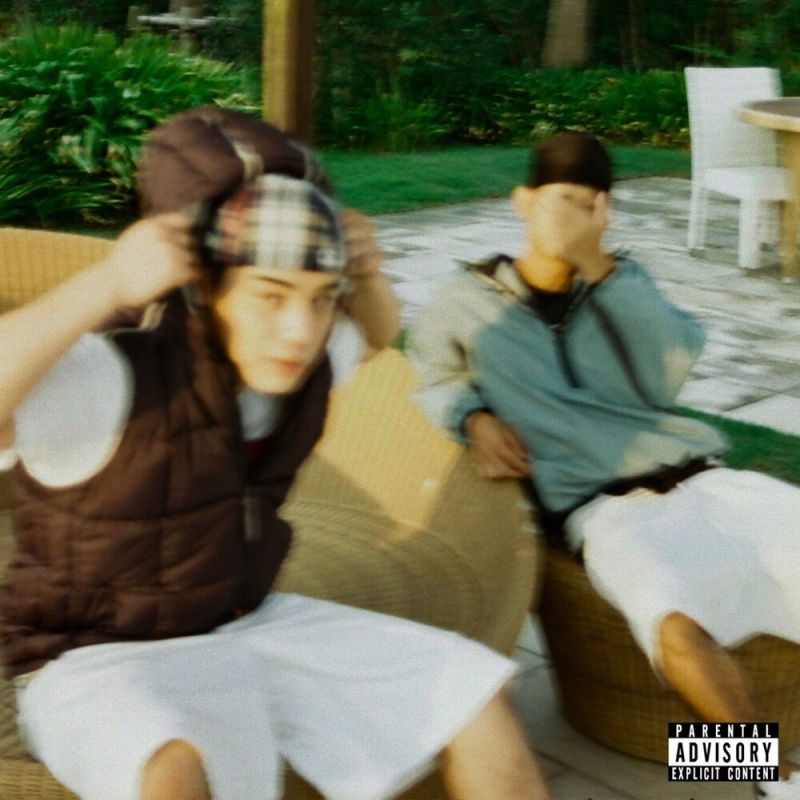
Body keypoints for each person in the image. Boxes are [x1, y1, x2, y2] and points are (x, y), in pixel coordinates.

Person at [0, 109, 551, 800]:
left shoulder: (303, 361)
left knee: (476, 699)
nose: (300, 331)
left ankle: (700, 763)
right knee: (171, 769)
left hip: (249, 620)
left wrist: (366, 277)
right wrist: (106, 283)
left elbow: (375, 337)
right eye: (271, 295)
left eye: (322, 300)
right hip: (92, 655)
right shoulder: (116, 375)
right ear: (203, 289)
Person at [410, 130, 800, 798]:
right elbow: (430, 374)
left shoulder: (622, 282)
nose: (576, 216)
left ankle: (739, 759)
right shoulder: (467, 296)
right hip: (603, 509)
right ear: (524, 201)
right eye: (563, 200)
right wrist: (471, 417)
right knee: (672, 627)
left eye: (591, 204)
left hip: (705, 479)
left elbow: (671, 367)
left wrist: (597, 265)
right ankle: (770, 776)